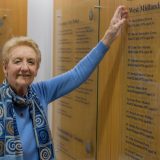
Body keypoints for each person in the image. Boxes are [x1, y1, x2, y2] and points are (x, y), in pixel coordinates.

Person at [0, 5, 128, 160]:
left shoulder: (41, 92)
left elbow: (77, 74)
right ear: (5, 67)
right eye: (18, 61)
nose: (25, 68)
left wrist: (109, 35)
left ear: (37, 69)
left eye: (31, 62)